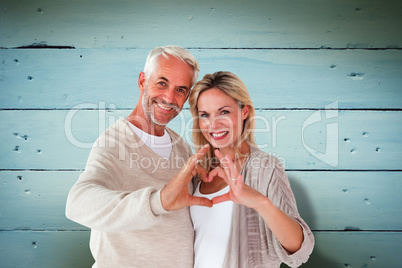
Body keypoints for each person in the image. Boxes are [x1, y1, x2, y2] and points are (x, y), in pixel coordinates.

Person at [65, 45, 213, 268]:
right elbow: (77, 203)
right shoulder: (114, 143)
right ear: (142, 81)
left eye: (181, 90)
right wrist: (158, 200)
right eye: (162, 83)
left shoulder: (181, 147)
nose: (169, 97)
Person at [189, 71, 315, 268]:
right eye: (205, 115)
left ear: (244, 111)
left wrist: (260, 202)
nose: (213, 124)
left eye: (224, 112)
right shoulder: (199, 175)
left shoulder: (265, 167)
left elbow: (300, 250)